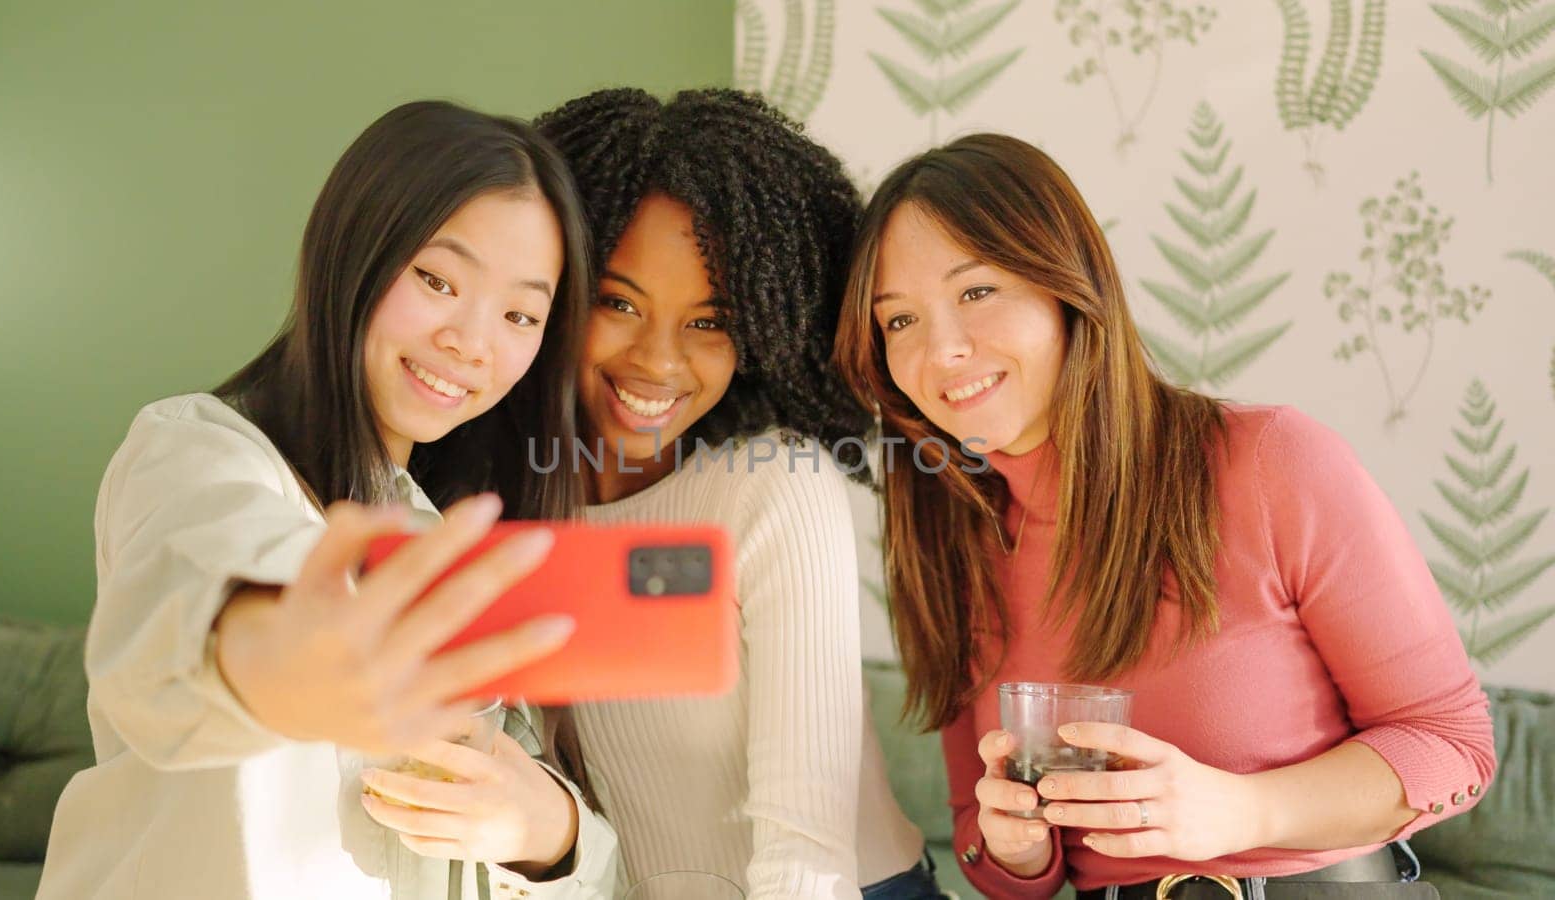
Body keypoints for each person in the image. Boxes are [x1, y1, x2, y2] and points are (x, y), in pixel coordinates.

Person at [831, 133, 1497, 899]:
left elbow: (1453, 745)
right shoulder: (953, 539)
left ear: (1067, 287)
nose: (942, 349)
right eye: (900, 321)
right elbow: (987, 854)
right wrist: (1015, 849)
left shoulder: (1271, 463)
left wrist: (1244, 810)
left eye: (976, 292)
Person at [36, 101, 619, 900]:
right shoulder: (196, 451)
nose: (473, 341)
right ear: (353, 253)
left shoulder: (443, 525)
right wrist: (269, 663)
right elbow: (192, 604)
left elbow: (575, 860)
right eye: (438, 279)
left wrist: (552, 835)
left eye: (520, 313)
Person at [527, 88, 937, 899]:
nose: (659, 362)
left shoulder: (775, 490)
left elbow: (804, 855)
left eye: (708, 323)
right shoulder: (498, 506)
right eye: (617, 302)